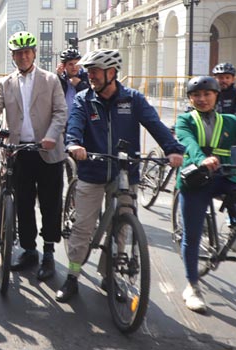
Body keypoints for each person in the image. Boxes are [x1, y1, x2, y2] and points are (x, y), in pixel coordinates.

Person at [60, 49, 184, 302]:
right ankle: (72, 276)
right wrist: (73, 144)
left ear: (111, 73)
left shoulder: (133, 99)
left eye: (94, 71)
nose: (89, 75)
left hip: (125, 171)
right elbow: (74, 125)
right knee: (83, 227)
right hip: (92, 170)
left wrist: (172, 149)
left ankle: (110, 275)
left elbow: (155, 125)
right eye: (89, 71)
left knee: (121, 227)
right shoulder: (84, 99)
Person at [0, 31, 67, 281]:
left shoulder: (51, 80)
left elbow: (60, 112)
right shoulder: (6, 83)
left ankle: (48, 253)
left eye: (27, 52)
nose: (23, 56)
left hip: (47, 150)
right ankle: (29, 250)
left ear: (34, 53)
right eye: (18, 53)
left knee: (50, 204)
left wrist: (52, 135)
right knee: (23, 204)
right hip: (19, 152)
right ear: (13, 56)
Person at [175, 76, 236, 312]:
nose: (202, 99)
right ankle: (192, 286)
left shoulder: (229, 120)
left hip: (226, 178)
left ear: (216, 96)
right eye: (196, 95)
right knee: (193, 235)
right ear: (190, 99)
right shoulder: (185, 120)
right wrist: (201, 160)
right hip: (195, 180)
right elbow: (188, 143)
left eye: (207, 94)